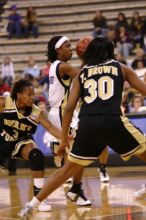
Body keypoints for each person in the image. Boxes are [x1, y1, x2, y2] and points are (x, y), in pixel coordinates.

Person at [18, 36, 146, 218]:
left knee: (66, 171)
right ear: (111, 51)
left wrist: (63, 140)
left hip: (87, 124)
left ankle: (31, 205)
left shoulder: (83, 73)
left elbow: (69, 108)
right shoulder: (121, 68)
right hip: (113, 121)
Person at [0, 79, 63, 212]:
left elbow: (50, 127)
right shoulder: (5, 103)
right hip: (3, 140)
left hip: (22, 142)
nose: (32, 97)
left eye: (33, 94)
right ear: (19, 96)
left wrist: (66, 138)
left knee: (36, 155)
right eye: (29, 95)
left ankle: (39, 197)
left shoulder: (36, 112)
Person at [43, 35, 91, 206]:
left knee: (73, 156)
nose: (71, 49)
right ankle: (73, 190)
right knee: (79, 154)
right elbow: (84, 75)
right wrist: (89, 58)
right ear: (58, 50)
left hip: (58, 113)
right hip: (63, 114)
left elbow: (78, 74)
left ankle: (74, 188)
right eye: (68, 46)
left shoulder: (55, 66)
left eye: (72, 46)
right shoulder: (63, 66)